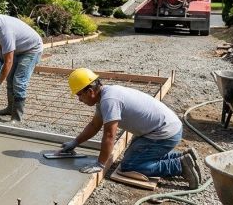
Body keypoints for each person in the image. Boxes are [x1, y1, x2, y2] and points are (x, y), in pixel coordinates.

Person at [60, 68, 201, 189]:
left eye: (79, 95)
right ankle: (183, 156)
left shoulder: (109, 101)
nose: (79, 100)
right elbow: (94, 125)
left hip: (164, 133)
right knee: (135, 157)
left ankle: (179, 166)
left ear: (90, 91)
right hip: (162, 129)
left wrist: (100, 164)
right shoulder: (105, 95)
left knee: (129, 165)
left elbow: (109, 135)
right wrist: (75, 142)